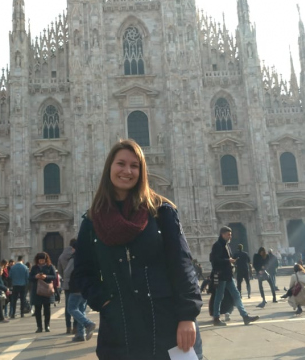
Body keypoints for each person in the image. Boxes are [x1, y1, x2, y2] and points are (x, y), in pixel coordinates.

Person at [73, 139, 204, 359]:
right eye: (121, 164)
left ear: (142, 172)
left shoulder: (162, 212)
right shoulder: (93, 220)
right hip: (119, 327)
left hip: (167, 322)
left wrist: (187, 316)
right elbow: (83, 272)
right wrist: (105, 303)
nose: (127, 171)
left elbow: (183, 266)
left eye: (135, 166)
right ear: (109, 168)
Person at [211, 227, 260, 326]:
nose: (230, 236)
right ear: (222, 234)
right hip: (221, 275)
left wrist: (231, 261)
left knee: (237, 295)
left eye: (230, 234)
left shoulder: (226, 245)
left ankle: (245, 317)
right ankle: (216, 318)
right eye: (228, 234)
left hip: (228, 275)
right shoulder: (217, 245)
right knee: (219, 297)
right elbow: (214, 260)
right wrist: (228, 260)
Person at [29, 252, 56, 333]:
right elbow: (30, 278)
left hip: (46, 290)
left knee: (47, 309)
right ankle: (39, 326)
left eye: (43, 260)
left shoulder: (50, 266)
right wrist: (35, 276)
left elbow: (54, 276)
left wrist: (46, 276)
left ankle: (47, 325)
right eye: (40, 260)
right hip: (37, 291)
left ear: (45, 260)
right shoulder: (34, 268)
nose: (41, 262)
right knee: (38, 309)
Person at [57, 238, 78, 335]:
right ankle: (76, 327)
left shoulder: (62, 256)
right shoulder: (77, 254)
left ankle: (68, 327)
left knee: (68, 306)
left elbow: (59, 270)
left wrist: (65, 278)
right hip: (76, 283)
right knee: (76, 305)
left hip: (66, 284)